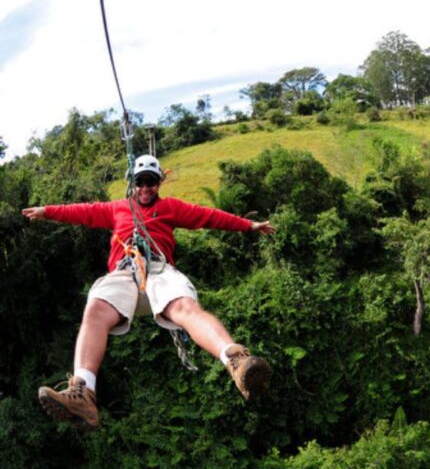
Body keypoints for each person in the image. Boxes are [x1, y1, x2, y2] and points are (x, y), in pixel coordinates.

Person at [22, 154, 276, 431]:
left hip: (158, 270)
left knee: (185, 309)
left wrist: (248, 225)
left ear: (159, 184)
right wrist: (47, 210)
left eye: (151, 182)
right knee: (94, 309)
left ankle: (236, 360)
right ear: (131, 183)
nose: (145, 188)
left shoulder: (171, 208)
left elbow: (209, 216)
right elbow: (82, 211)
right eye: (140, 181)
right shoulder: (118, 208)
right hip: (124, 271)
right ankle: (83, 392)